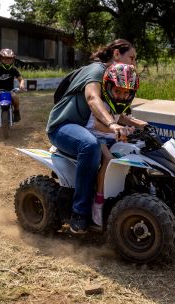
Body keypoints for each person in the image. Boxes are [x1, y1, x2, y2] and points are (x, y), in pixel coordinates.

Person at [46, 39, 138, 233]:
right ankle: (79, 212)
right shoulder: (97, 70)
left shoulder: (115, 78)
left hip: (85, 127)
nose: (134, 64)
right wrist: (112, 124)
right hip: (63, 126)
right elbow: (92, 98)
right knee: (90, 145)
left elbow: (115, 110)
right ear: (116, 54)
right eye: (132, 58)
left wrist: (136, 124)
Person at [86, 63, 147, 227]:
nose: (121, 96)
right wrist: (117, 129)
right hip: (97, 137)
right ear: (108, 88)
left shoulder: (119, 105)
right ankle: (98, 201)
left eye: (126, 93)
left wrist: (140, 124)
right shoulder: (103, 104)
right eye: (117, 91)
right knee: (109, 159)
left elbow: (121, 117)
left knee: (134, 151)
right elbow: (95, 125)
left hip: (112, 137)